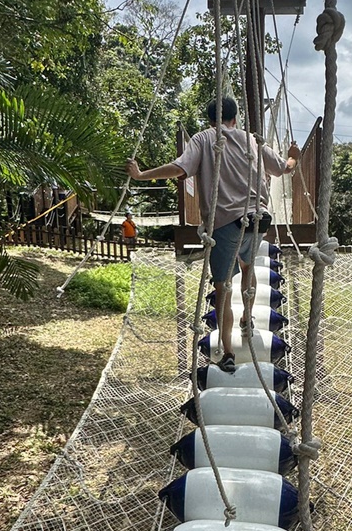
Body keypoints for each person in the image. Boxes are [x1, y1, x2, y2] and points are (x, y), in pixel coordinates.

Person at [126, 96, 300, 372]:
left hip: (226, 222)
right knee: (247, 266)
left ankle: (228, 352)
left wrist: (140, 175)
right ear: (235, 118)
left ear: (210, 119)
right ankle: (246, 320)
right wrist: (293, 156)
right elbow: (283, 169)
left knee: (222, 286)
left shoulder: (204, 139)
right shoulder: (252, 139)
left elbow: (180, 168)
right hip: (259, 219)